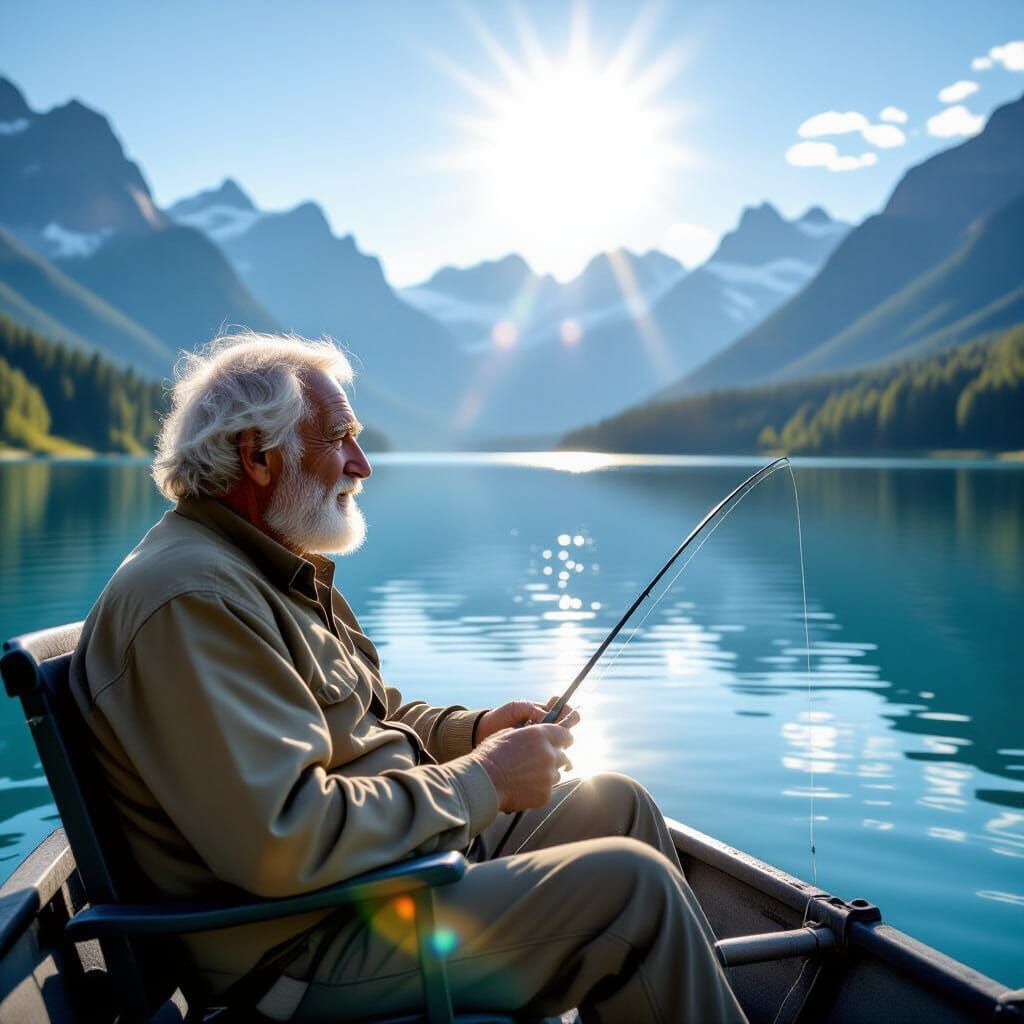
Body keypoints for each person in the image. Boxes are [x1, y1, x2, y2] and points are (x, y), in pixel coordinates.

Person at [70, 333, 747, 1023]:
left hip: (376, 886)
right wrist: (484, 780)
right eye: (340, 438)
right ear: (258, 455)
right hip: (307, 952)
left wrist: (475, 733)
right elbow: (284, 840)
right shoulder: (193, 600)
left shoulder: (265, 569)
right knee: (632, 892)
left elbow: (374, 721)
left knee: (617, 805)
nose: (361, 464)